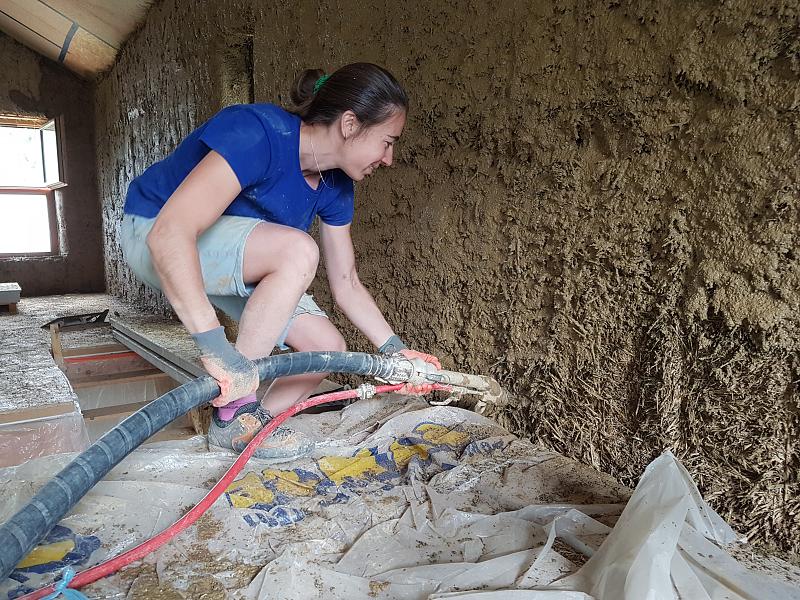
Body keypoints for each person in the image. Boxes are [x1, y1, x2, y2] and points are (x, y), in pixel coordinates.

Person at [120, 63, 441, 461]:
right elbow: (169, 234)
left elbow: (347, 281)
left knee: (325, 347)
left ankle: (247, 429)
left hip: (218, 251)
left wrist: (395, 351)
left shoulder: (334, 184)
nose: (389, 158)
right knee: (298, 250)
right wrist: (216, 347)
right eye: (388, 142)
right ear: (350, 124)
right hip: (152, 232)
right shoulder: (258, 132)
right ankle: (236, 409)